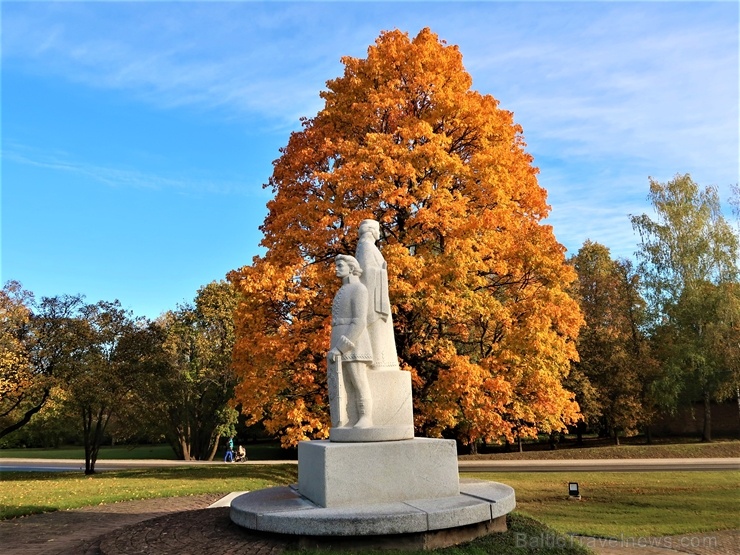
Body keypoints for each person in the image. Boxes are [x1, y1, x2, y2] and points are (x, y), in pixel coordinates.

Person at [328, 254, 374, 429]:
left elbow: (359, 321)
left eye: (340, 265)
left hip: (355, 342)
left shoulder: (359, 289)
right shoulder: (342, 290)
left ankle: (365, 417)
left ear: (352, 267)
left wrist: (341, 347)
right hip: (339, 340)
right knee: (345, 384)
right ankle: (349, 418)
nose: (336, 268)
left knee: (358, 380)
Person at [355, 219, 399, 370]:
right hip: (373, 299)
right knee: (376, 334)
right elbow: (366, 272)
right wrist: (382, 271)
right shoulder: (366, 247)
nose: (379, 234)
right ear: (372, 231)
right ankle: (378, 364)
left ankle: (383, 363)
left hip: (377, 295)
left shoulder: (368, 247)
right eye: (378, 230)